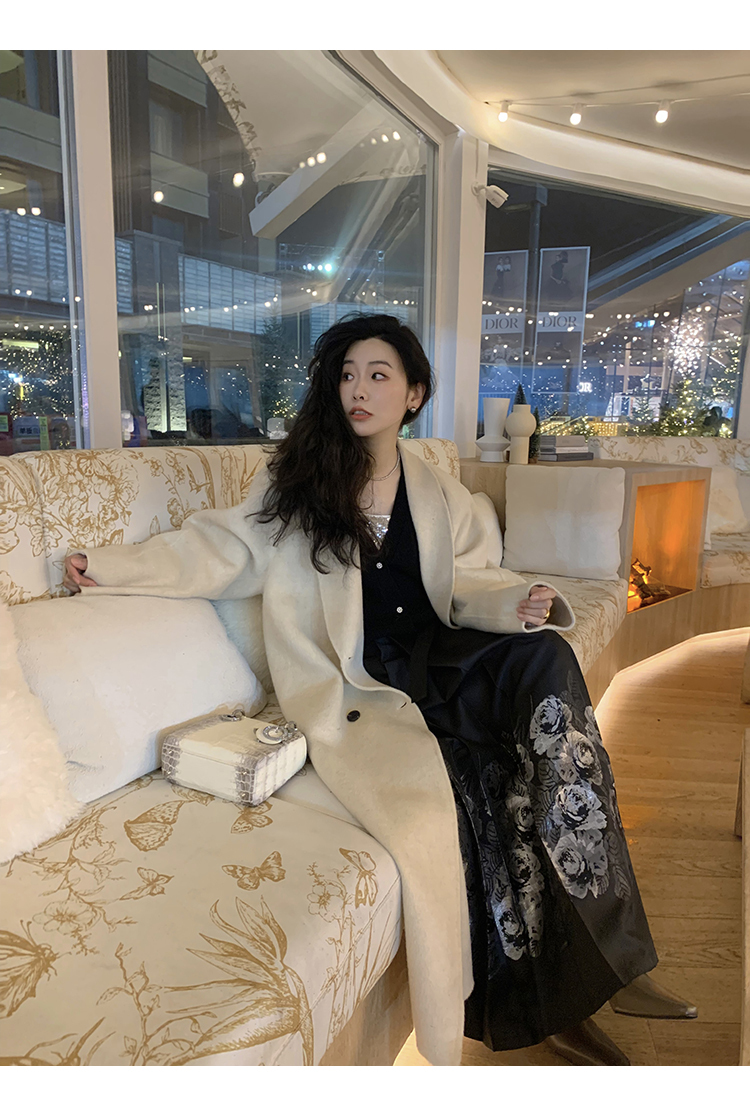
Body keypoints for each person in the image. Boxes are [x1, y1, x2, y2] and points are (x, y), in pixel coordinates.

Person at [64, 314, 695, 1067]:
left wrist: (518, 602)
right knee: (488, 781)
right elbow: (220, 549)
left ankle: (616, 957)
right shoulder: (301, 484)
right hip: (363, 684)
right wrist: (110, 567)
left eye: (378, 375)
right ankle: (571, 998)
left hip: (442, 656)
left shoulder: (438, 489)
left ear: (413, 394)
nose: (358, 390)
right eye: (347, 375)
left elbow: (469, 583)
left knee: (547, 670)